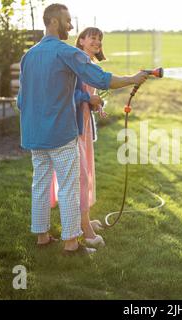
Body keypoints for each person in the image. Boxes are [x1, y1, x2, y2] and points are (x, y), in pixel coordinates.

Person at [17, 3, 148, 255]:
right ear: (53, 22)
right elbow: (100, 78)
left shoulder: (28, 56)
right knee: (68, 187)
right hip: (61, 134)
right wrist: (132, 78)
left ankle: (43, 237)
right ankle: (71, 244)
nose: (71, 26)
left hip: (34, 136)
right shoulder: (66, 52)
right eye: (67, 20)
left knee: (41, 185)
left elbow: (21, 101)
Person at [49, 27, 108, 248]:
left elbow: (89, 97)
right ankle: (85, 227)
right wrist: (88, 98)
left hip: (85, 127)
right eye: (93, 37)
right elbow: (69, 94)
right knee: (80, 177)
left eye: (100, 39)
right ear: (81, 40)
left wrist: (96, 104)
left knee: (87, 173)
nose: (97, 41)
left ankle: (85, 217)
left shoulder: (91, 65)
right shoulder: (74, 64)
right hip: (73, 127)